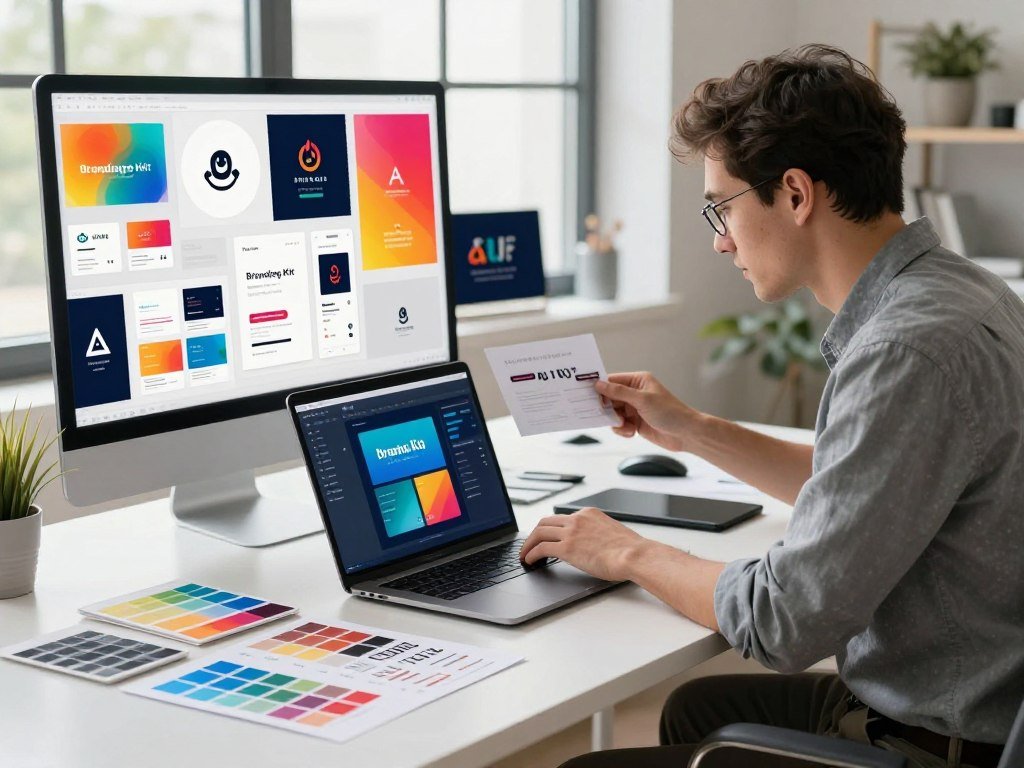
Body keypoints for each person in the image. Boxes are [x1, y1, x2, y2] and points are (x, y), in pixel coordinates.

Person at [520, 45, 1023, 768]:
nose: (721, 243)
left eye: (720, 208)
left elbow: (781, 620)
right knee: (701, 707)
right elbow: (870, 487)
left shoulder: (905, 351)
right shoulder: (963, 292)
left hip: (936, 744)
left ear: (794, 194)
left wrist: (625, 550)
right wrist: (691, 429)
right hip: (970, 706)